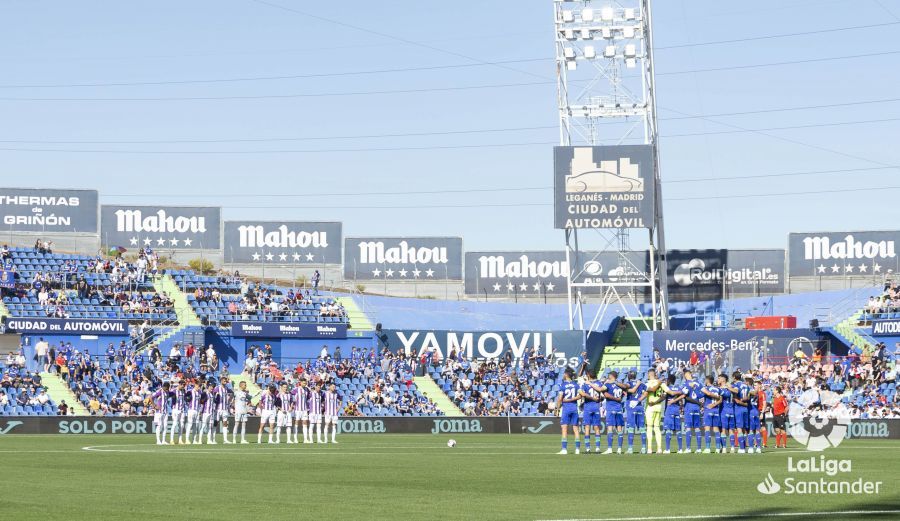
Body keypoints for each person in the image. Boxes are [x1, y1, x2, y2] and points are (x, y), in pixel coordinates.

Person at [595, 371, 625, 454]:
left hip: (611, 408)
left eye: (608, 375)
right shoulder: (620, 384)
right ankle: (619, 449)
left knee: (610, 428)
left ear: (611, 376)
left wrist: (591, 384)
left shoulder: (607, 385)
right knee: (619, 429)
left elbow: (600, 389)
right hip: (619, 408)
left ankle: (610, 449)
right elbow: (624, 393)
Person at [555, 368, 581, 455]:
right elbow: (580, 395)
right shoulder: (576, 384)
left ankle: (564, 449)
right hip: (574, 408)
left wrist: (557, 409)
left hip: (566, 409)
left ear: (566, 375)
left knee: (564, 429)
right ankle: (577, 449)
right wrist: (572, 399)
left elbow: (560, 399)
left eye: (564, 374)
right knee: (576, 429)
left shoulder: (563, 385)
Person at [623, 371, 648, 454]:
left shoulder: (628, 383)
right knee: (642, 428)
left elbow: (631, 391)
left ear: (629, 376)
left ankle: (630, 449)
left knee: (631, 428)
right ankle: (644, 448)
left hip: (631, 406)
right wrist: (638, 401)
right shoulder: (641, 383)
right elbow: (645, 394)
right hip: (639, 406)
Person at [579, 369, 603, 454]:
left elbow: (582, 393)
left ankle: (588, 448)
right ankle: (597, 448)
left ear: (588, 375)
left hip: (588, 406)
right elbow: (602, 396)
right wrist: (598, 399)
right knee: (596, 427)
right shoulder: (600, 383)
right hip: (596, 407)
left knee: (587, 427)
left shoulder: (585, 384)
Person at [681, 370, 704, 454]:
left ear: (685, 375)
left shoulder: (685, 384)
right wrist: (700, 404)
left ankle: (688, 448)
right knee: (697, 428)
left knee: (688, 428)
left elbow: (684, 394)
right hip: (697, 408)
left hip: (689, 407)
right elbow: (702, 395)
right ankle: (699, 449)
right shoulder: (698, 383)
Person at [662, 375, 684, 454]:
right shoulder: (678, 388)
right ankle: (680, 449)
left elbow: (663, 397)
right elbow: (682, 395)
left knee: (668, 430)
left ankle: (667, 449)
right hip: (676, 410)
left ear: (668, 380)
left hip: (669, 410)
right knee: (678, 430)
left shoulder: (668, 389)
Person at [700, 375, 722, 453]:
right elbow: (720, 400)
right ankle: (718, 448)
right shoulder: (717, 389)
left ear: (707, 380)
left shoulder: (706, 389)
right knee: (716, 429)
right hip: (716, 410)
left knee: (707, 429)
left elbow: (701, 398)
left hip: (708, 410)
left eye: (705, 380)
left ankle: (708, 448)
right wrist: (714, 405)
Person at [645, 370, 665, 454]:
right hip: (659, 407)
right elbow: (664, 396)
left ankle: (649, 449)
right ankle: (659, 449)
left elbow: (650, 391)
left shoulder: (647, 383)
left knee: (649, 428)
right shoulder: (661, 383)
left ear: (649, 375)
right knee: (657, 428)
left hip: (650, 407)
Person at [293, 379, 311, 444]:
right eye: (303, 383)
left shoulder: (307, 390)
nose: (305, 384)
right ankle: (295, 439)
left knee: (305, 423)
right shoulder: (296, 389)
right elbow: (290, 395)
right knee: (296, 423)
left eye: (305, 383)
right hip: (297, 409)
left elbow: (308, 398)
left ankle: (305, 439)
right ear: (300, 383)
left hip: (304, 409)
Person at [215, 378, 232, 444]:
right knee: (215, 423)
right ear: (221, 381)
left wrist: (229, 400)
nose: (226, 382)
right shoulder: (217, 388)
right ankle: (212, 439)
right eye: (224, 381)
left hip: (225, 408)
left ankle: (225, 440)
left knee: (225, 424)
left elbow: (232, 393)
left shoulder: (226, 388)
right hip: (218, 408)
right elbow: (214, 396)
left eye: (226, 381)